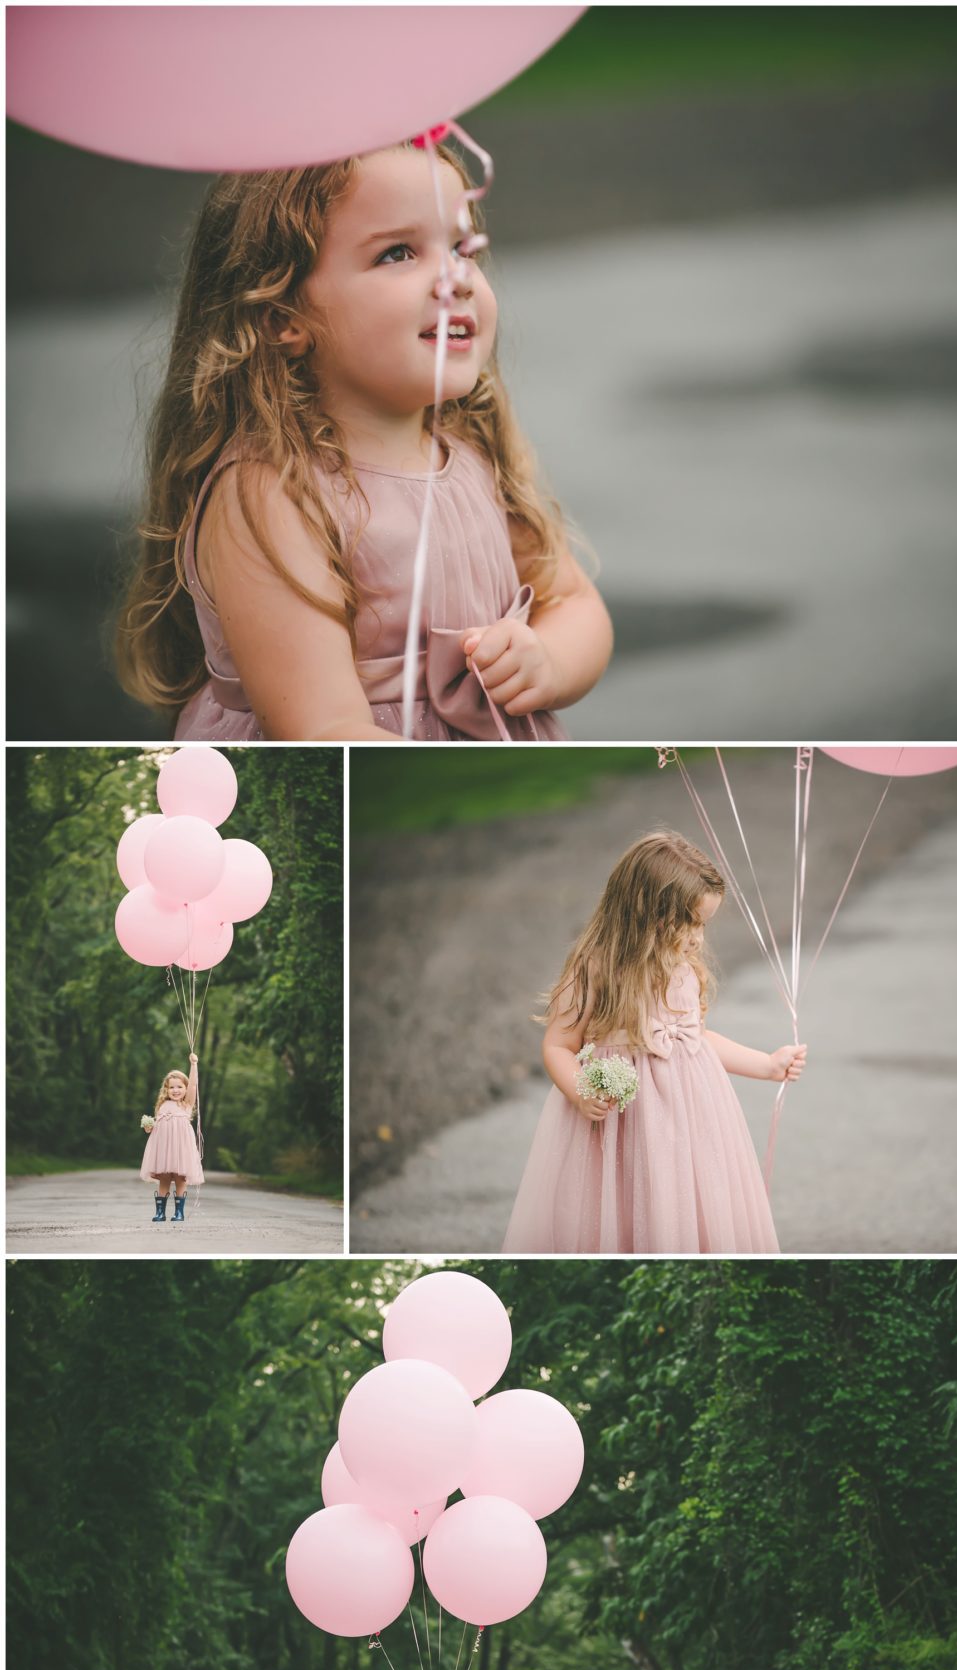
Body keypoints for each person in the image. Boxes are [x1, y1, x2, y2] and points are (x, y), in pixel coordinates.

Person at [117, 141, 612, 742]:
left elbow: (577, 606)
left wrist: (548, 659)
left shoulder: (473, 447)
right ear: (281, 315)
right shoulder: (272, 491)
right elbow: (322, 726)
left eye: (461, 247)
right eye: (398, 253)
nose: (454, 277)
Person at [503, 832, 806, 1253]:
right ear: (648, 914)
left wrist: (766, 1065)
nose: (699, 938)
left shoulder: (684, 968)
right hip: (618, 1126)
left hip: (688, 1123)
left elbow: (695, 1040)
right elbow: (558, 1045)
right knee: (621, 1210)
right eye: (692, 922)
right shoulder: (595, 969)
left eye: (705, 924)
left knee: (683, 1209)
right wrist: (579, 1090)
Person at [140, 1056, 202, 1222]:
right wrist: (149, 1127)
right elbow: (157, 1126)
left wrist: (194, 1065)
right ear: (166, 1090)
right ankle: (160, 1212)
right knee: (165, 1176)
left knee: (181, 1176)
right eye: (171, 1087)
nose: (175, 1090)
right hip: (164, 1147)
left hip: (181, 1146)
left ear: (185, 1088)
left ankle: (179, 1212)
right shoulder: (162, 1105)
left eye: (179, 1087)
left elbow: (194, 1084)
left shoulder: (187, 1104)